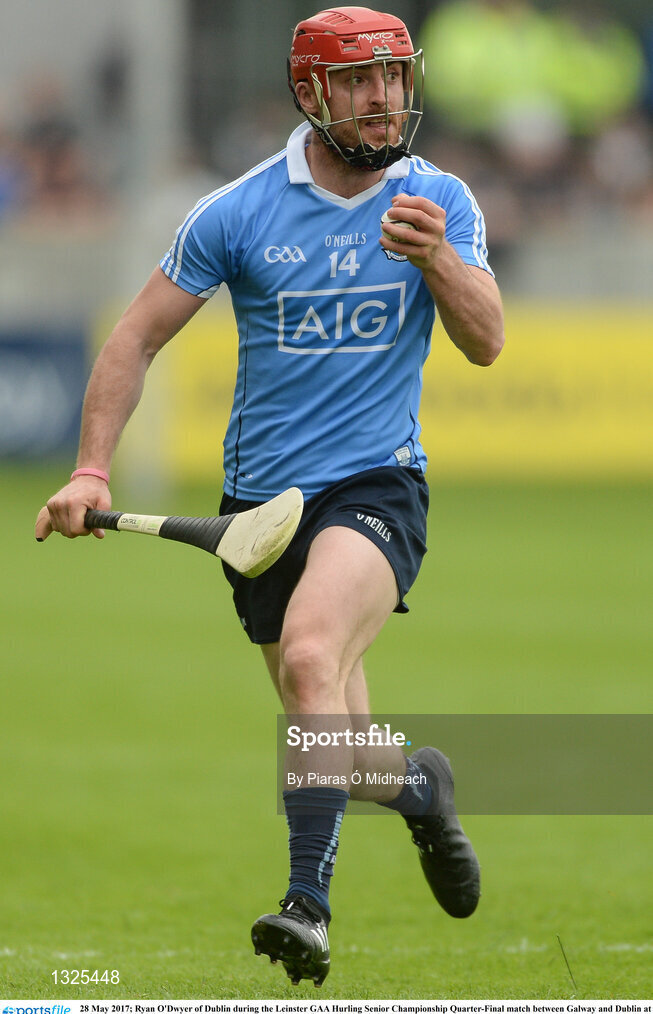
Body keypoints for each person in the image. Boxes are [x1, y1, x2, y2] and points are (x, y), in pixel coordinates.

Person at [35, 6, 504, 988]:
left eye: (393, 76)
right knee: (338, 743)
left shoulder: (436, 198)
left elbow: (486, 341)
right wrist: (90, 470)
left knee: (309, 656)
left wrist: (438, 261)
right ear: (310, 93)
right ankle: (418, 787)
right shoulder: (237, 211)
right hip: (257, 515)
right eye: (358, 80)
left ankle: (306, 908)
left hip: (376, 486)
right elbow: (134, 340)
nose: (382, 98)